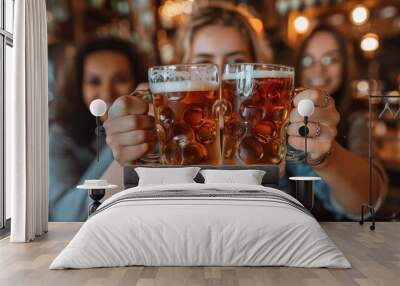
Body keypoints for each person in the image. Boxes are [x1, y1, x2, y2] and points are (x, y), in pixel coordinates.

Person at [104, 4, 388, 220]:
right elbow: (89, 212)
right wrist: (124, 156)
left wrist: (326, 156)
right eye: (204, 62)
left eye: (235, 63)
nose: (218, 75)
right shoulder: (160, 127)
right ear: (181, 70)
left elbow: (366, 204)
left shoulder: (272, 127)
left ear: (257, 69)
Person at [49, 37, 147, 221]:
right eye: (94, 81)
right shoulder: (59, 137)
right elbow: (65, 216)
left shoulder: (152, 134)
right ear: (79, 87)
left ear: (136, 82)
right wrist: (119, 142)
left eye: (120, 80)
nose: (107, 92)